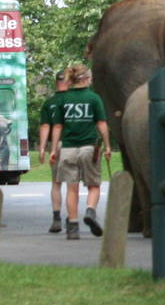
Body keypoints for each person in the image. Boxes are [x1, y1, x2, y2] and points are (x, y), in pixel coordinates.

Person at [48, 61, 112, 240]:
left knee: (71, 189)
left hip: (68, 149)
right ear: (85, 79)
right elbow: (101, 123)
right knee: (94, 185)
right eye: (90, 77)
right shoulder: (93, 98)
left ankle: (73, 226)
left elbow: (58, 126)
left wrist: (54, 149)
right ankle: (90, 211)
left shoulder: (63, 99)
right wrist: (107, 145)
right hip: (88, 148)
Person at [37, 67, 71, 233]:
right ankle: (72, 218)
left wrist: (43, 148)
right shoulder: (75, 100)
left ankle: (56, 218)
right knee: (73, 184)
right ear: (69, 82)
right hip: (74, 143)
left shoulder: (49, 103)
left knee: (56, 183)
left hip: (55, 146)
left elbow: (45, 126)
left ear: (56, 83)